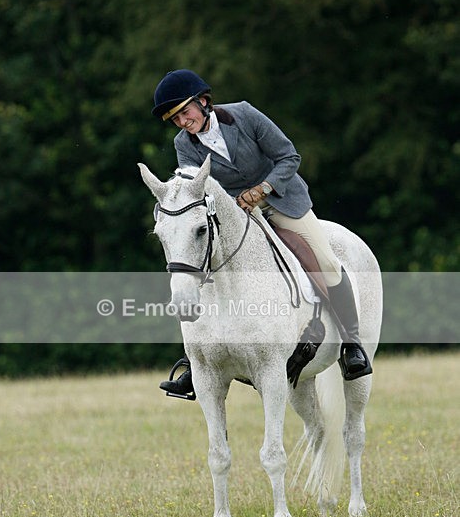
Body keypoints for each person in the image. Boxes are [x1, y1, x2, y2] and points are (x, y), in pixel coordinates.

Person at [151, 69, 372, 397]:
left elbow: (289, 157)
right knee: (203, 268)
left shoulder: (244, 114)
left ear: (203, 102)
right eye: (175, 119)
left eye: (185, 113)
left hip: (283, 200)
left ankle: (351, 345)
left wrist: (263, 188)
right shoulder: (183, 144)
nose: (183, 122)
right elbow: (194, 188)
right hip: (237, 214)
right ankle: (195, 360)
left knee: (325, 260)